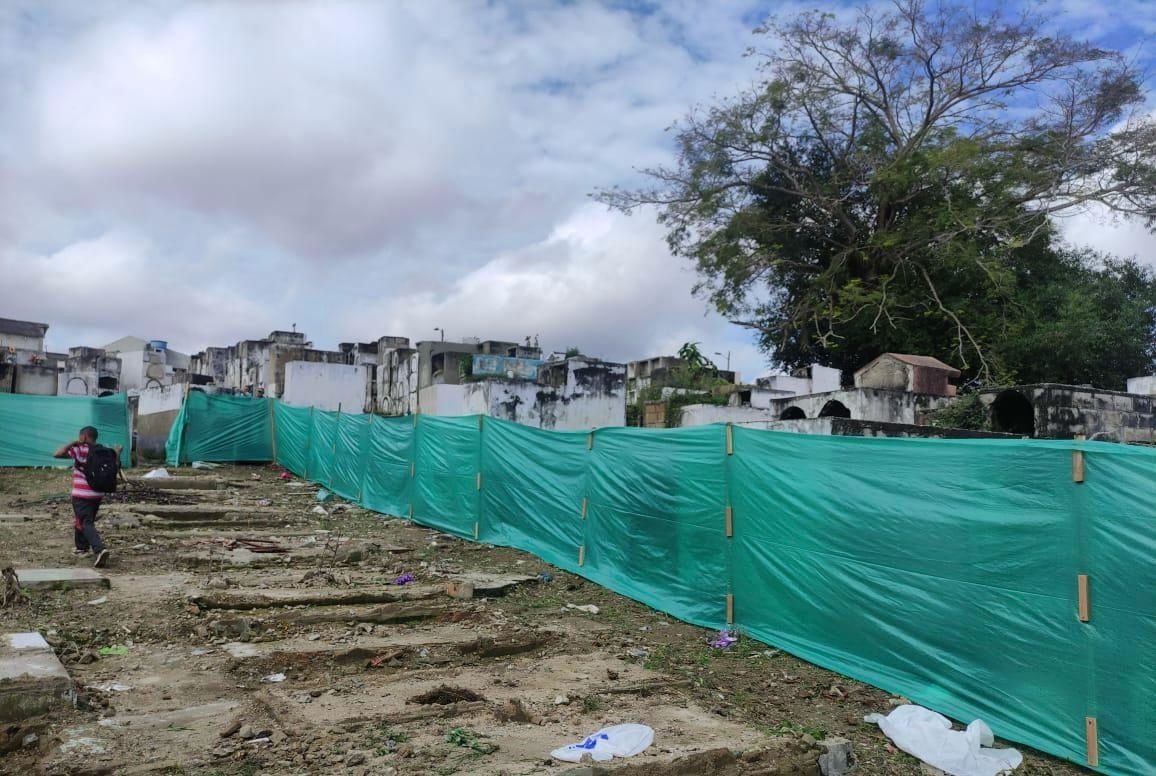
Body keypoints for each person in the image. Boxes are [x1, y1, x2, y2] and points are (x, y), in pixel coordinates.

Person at [53, 427, 120, 568]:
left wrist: (74, 442)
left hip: (81, 494)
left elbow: (57, 454)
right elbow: (116, 467)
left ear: (83, 436)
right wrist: (117, 453)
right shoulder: (104, 451)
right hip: (97, 494)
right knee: (82, 519)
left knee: (85, 522)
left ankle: (100, 549)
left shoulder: (80, 449)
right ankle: (81, 547)